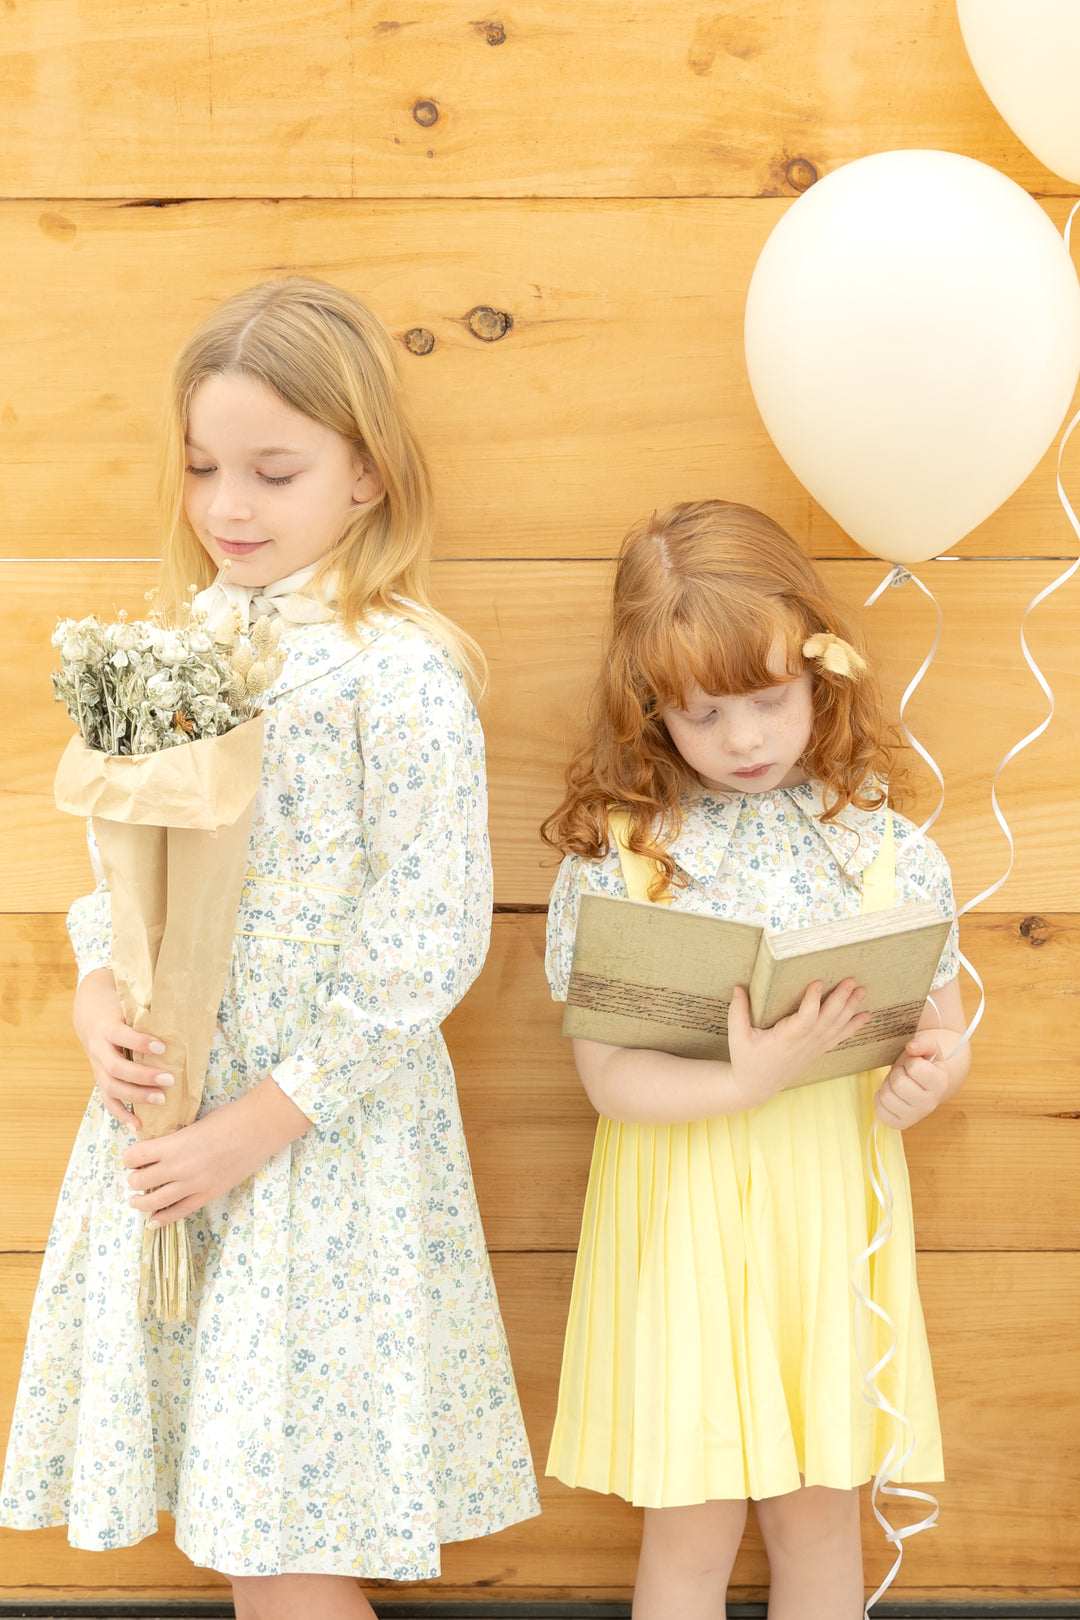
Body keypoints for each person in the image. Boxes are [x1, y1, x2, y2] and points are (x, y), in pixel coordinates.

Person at [2, 278, 540, 1618]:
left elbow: (424, 937)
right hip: (178, 1114)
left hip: (318, 1146)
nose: (228, 506)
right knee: (249, 1529)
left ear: (366, 475)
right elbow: (118, 871)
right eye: (201, 468)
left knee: (290, 1541)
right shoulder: (182, 647)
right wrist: (101, 995)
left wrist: (262, 1122)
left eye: (273, 471)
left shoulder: (397, 672)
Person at [541, 500, 969, 1620]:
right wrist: (745, 1079)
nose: (743, 739)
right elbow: (609, 1078)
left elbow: (937, 1020)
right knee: (691, 1523)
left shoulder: (873, 840)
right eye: (703, 714)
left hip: (826, 1214)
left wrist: (934, 1075)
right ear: (651, 713)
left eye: (770, 700)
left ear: (820, 676)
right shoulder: (627, 861)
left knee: (819, 1516)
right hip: (682, 1217)